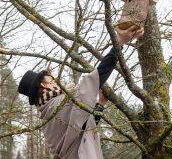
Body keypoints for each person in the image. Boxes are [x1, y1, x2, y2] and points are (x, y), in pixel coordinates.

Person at [18, 26, 144, 159]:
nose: (55, 80)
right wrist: (120, 42)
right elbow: (93, 80)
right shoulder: (62, 103)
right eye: (51, 78)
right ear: (44, 85)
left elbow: (85, 127)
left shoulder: (46, 120)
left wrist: (100, 104)